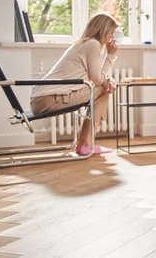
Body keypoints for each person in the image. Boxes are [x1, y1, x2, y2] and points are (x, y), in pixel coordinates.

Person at [30, 12, 119, 156]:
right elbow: (97, 80)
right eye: (111, 32)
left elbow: (94, 79)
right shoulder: (92, 44)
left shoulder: (84, 43)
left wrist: (108, 79)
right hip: (48, 99)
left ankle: (85, 143)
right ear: (102, 30)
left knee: (104, 87)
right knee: (104, 90)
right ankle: (85, 144)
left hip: (41, 99)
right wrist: (110, 57)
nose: (112, 37)